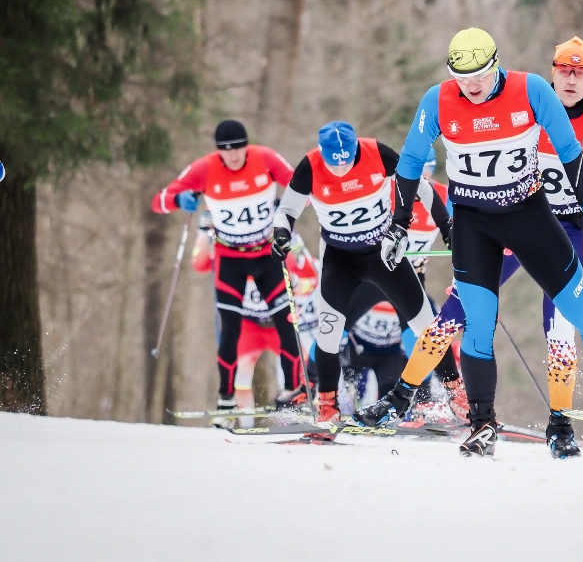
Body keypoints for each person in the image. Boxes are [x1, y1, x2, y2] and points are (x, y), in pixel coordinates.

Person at [354, 27, 583, 457]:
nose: (472, 85)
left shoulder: (534, 93)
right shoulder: (438, 100)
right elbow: (410, 160)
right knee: (474, 324)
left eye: (480, 75)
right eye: (461, 77)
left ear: (496, 64)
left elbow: (573, 153)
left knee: (581, 315)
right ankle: (480, 422)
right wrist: (399, 223)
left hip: (536, 221)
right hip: (475, 228)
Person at [271, 121, 450, 433]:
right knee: (331, 331)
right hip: (353, 267)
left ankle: (432, 399)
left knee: (427, 329)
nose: (341, 171)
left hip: (399, 269)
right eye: (334, 164)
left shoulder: (441, 196)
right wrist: (281, 232)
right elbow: (288, 209)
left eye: (428, 170)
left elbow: (469, 219)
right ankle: (316, 393)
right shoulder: (395, 194)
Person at [151, 120, 304, 415]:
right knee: (230, 331)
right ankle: (226, 398)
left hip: (266, 256)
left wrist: (294, 205)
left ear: (248, 145)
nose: (233, 156)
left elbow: (300, 183)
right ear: (217, 151)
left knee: (287, 325)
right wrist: (179, 199)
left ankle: (295, 393)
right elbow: (159, 201)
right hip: (230, 259)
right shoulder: (204, 168)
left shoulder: (266, 158)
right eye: (226, 150)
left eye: (238, 149)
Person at [191, 213, 320, 426]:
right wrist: (203, 233)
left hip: (278, 325)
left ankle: (301, 409)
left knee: (301, 367)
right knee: (240, 370)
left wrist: (298, 284)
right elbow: (200, 263)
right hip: (250, 325)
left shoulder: (274, 249)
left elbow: (311, 282)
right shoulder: (228, 250)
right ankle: (240, 419)